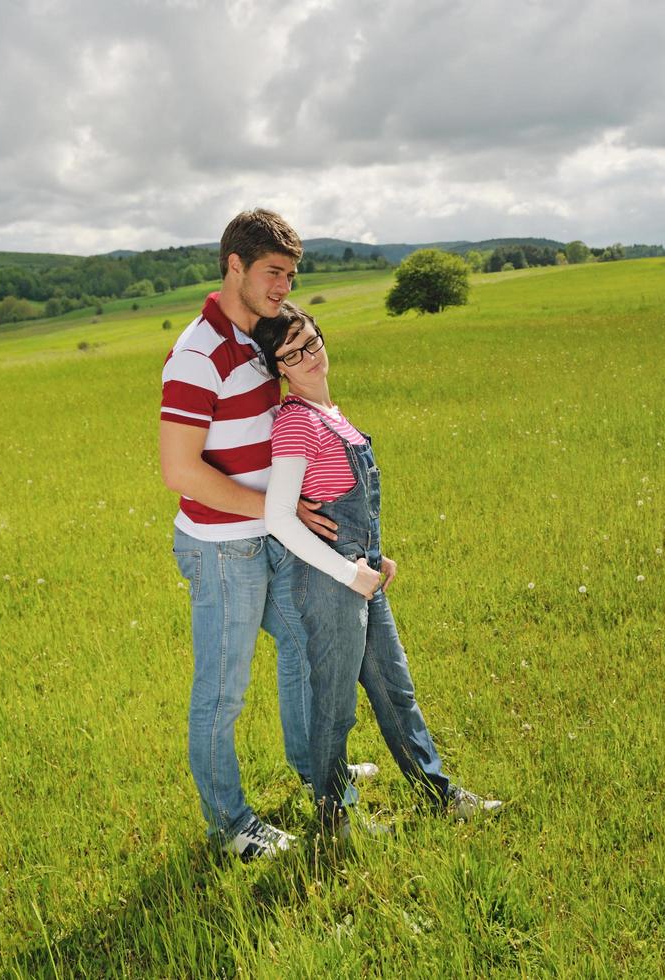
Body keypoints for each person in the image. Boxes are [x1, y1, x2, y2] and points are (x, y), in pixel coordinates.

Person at [159, 208, 373, 861]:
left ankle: (315, 772)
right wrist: (275, 513)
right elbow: (180, 470)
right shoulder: (197, 355)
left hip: (271, 533)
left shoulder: (259, 335)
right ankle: (229, 824)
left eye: (291, 274)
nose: (285, 286)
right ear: (235, 266)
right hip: (222, 549)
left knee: (307, 649)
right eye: (274, 273)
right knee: (222, 689)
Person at [257, 304, 501, 840]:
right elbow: (277, 516)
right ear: (280, 370)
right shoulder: (297, 421)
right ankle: (335, 821)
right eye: (291, 354)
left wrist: (372, 554)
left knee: (396, 690)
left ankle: (438, 795)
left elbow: (342, 504)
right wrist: (348, 573)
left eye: (311, 340)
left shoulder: (331, 413)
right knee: (335, 706)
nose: (309, 357)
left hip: (360, 571)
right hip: (329, 585)